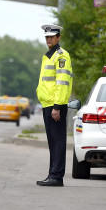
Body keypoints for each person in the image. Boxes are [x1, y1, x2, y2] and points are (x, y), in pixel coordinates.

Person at [36, 24, 73, 186]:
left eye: (51, 37)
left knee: (57, 141)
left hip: (55, 105)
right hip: (48, 104)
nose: (48, 40)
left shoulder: (61, 56)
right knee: (53, 141)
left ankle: (57, 176)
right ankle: (52, 174)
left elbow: (62, 83)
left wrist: (57, 106)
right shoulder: (49, 56)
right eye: (47, 37)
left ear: (58, 37)